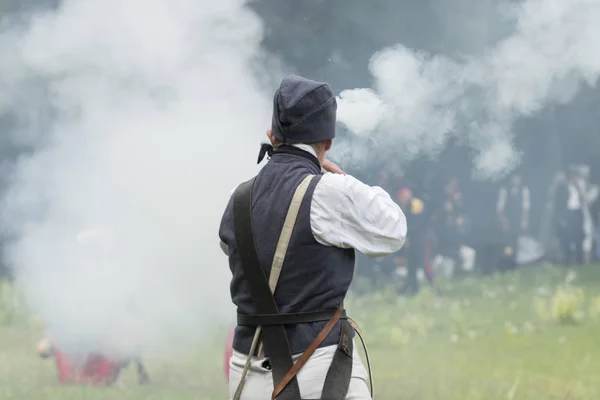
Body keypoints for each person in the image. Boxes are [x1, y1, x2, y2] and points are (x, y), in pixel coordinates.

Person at [219, 75, 407, 400]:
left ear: (272, 135)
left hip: (246, 373)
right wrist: (344, 179)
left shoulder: (238, 198)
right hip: (316, 369)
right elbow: (393, 230)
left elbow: (231, 247)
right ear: (328, 142)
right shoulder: (331, 191)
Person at [496, 171, 531, 268]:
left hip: (518, 220)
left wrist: (524, 220)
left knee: (517, 241)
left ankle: (516, 261)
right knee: (508, 243)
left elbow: (526, 208)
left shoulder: (524, 190)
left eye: (518, 178)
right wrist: (503, 220)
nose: (516, 180)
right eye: (514, 178)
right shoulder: (504, 190)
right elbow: (500, 208)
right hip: (507, 220)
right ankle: (507, 260)